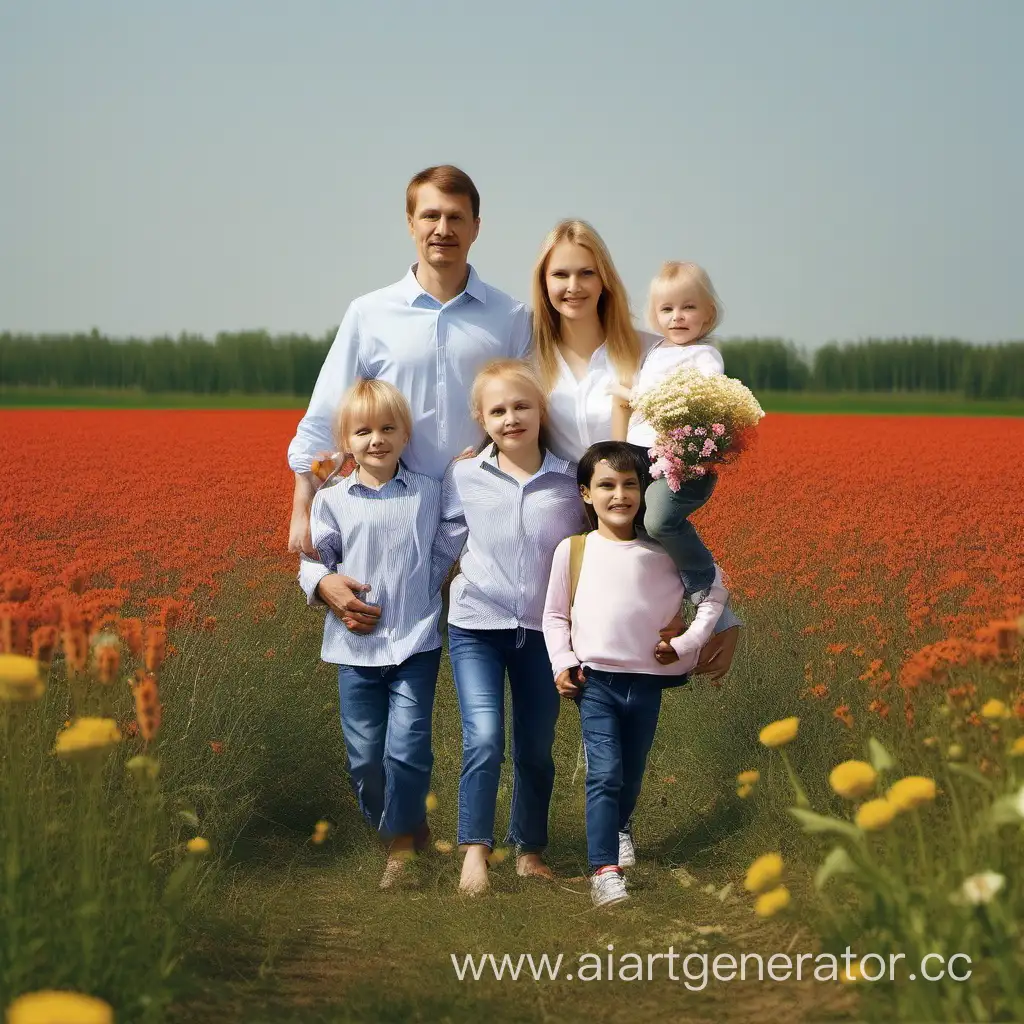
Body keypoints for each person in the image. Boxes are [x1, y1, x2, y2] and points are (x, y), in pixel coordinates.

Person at [288, 165, 532, 636]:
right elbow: (326, 416)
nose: (443, 229)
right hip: (389, 518)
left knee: (481, 663)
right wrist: (303, 506)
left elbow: (529, 413)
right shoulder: (369, 313)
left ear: (476, 227)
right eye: (431, 216)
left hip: (484, 518)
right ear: (410, 222)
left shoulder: (511, 316)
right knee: (392, 656)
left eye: (457, 217)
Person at [530, 221, 741, 676]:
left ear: (605, 278)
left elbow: (675, 507)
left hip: (631, 526)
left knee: (625, 672)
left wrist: (723, 616)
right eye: (560, 275)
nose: (573, 286)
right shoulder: (531, 356)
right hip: (559, 530)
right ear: (543, 283)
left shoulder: (653, 351)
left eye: (586, 273)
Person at [541, 442, 728, 907]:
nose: (619, 494)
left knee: (632, 773)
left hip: (648, 681)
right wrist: (562, 662)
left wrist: (686, 639)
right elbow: (554, 617)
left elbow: (713, 591)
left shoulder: (665, 550)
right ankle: (604, 870)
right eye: (606, 485)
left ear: (646, 491)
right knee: (603, 773)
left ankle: (622, 825)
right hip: (596, 682)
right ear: (585, 494)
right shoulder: (574, 550)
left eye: (631, 484)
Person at [432, 359, 587, 894]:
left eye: (522, 406)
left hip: (545, 633)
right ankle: (475, 850)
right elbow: (447, 540)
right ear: (481, 417)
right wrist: (418, 597)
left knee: (536, 746)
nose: (511, 417)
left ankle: (530, 850)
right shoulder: (464, 475)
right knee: (484, 736)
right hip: (476, 623)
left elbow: (593, 552)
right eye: (497, 410)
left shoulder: (570, 481)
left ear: (542, 411)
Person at [299, 378, 450, 889]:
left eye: (388, 428)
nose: (377, 439)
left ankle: (401, 847)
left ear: (406, 434)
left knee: (407, 746)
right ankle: (402, 827)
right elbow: (313, 561)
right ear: (346, 441)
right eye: (363, 431)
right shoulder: (333, 500)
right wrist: (323, 583)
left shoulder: (429, 493)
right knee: (365, 758)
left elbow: (450, 540)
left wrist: (429, 585)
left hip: (415, 641)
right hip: (354, 645)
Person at [608, 260, 727, 601]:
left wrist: (629, 394)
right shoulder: (655, 351)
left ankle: (702, 572)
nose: (677, 316)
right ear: (655, 315)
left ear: (708, 313)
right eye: (667, 309)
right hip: (641, 453)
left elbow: (689, 399)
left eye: (689, 307)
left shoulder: (704, 356)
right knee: (639, 525)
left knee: (659, 520)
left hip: (679, 461)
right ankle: (664, 592)